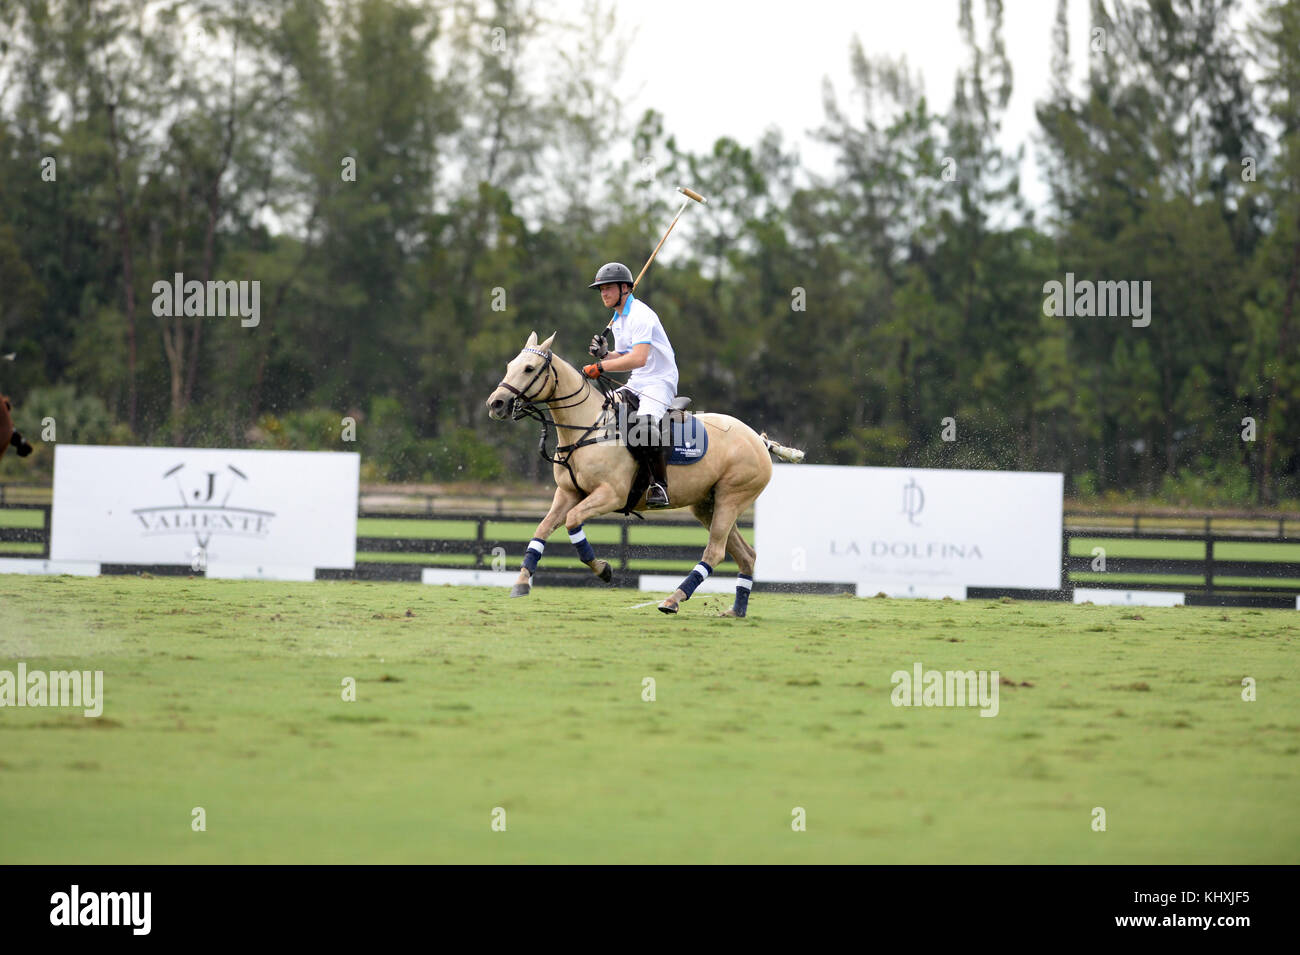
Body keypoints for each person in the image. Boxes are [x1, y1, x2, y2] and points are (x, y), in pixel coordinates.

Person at [581, 262, 677, 508]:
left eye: (609, 288)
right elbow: (624, 356)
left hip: (659, 381)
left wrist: (601, 367)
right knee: (601, 411)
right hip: (638, 380)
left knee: (644, 425)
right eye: (601, 289)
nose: (603, 293)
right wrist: (605, 354)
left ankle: (659, 485)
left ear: (625, 288)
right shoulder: (618, 319)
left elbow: (639, 358)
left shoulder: (641, 315)